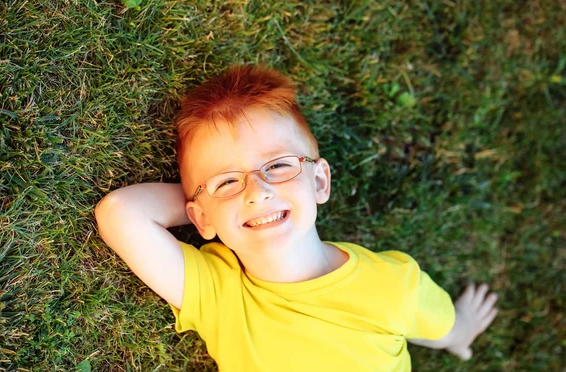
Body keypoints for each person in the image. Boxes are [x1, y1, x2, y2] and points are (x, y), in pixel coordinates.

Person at [95, 64, 499, 371]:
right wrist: (211, 206)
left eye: (278, 166)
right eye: (229, 181)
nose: (258, 192)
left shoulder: (395, 284)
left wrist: (460, 330)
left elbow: (444, 327)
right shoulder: (219, 295)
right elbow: (120, 214)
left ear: (320, 181)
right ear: (200, 219)